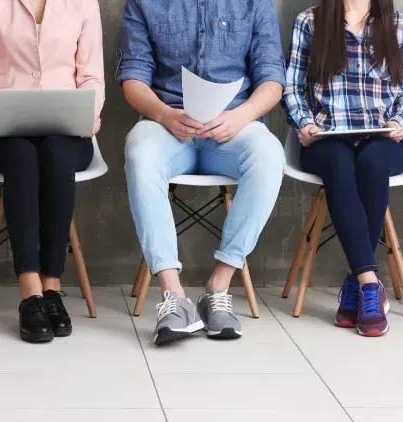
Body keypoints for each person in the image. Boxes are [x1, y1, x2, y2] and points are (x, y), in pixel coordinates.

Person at [118, 0, 286, 346]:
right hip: (168, 124)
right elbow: (132, 76)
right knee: (140, 152)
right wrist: (164, 114)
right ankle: (173, 297)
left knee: (269, 155)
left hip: (232, 127)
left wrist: (242, 116)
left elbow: (272, 78)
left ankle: (218, 287)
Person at [0, 0, 103, 344]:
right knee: (23, 156)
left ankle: (52, 288)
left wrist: (90, 111)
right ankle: (30, 291)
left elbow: (91, 77)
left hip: (66, 130)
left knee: (56, 154)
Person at [283, 0, 403, 337]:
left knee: (372, 163)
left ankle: (356, 284)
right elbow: (292, 87)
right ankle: (370, 285)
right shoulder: (310, 22)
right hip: (327, 138)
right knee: (340, 163)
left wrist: (399, 121)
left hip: (381, 136)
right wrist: (304, 123)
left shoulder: (401, 26)